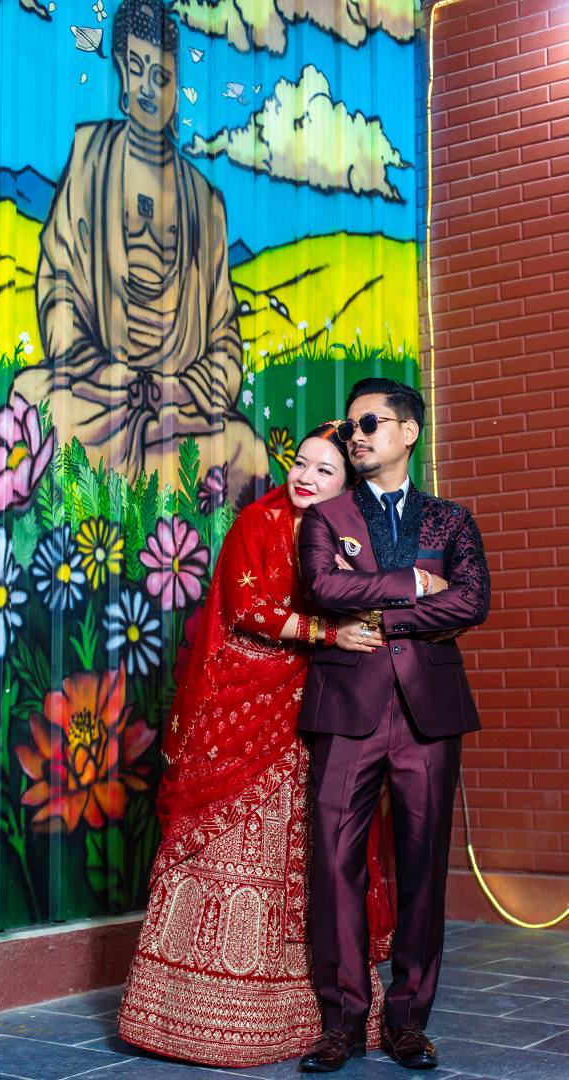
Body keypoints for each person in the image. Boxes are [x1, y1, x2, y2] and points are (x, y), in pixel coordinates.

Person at [118, 423, 393, 1067]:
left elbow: (372, 603)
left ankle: (304, 1015)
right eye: (301, 463)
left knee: (299, 852)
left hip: (308, 704)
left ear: (346, 485)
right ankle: (190, 1017)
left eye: (325, 471)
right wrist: (329, 634)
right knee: (226, 844)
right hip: (239, 703)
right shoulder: (257, 522)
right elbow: (245, 606)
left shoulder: (348, 538)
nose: (306, 477)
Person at [297, 379, 490, 1073]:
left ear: (408, 432)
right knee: (334, 865)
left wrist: (380, 612)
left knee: (422, 869)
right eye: (350, 426)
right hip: (347, 708)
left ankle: (407, 1022)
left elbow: (472, 602)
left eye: (370, 423)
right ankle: (342, 1022)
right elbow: (324, 588)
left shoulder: (451, 521)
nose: (356, 435)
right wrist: (412, 586)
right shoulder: (326, 517)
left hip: (427, 714)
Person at [13, 0, 268, 505]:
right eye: (137, 68)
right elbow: (57, 284)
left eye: (162, 76)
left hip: (180, 404)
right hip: (99, 392)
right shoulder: (89, 159)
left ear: (176, 89)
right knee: (36, 402)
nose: (149, 87)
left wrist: (179, 388)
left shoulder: (204, 202)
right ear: (121, 75)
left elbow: (224, 334)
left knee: (247, 450)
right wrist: (101, 370)